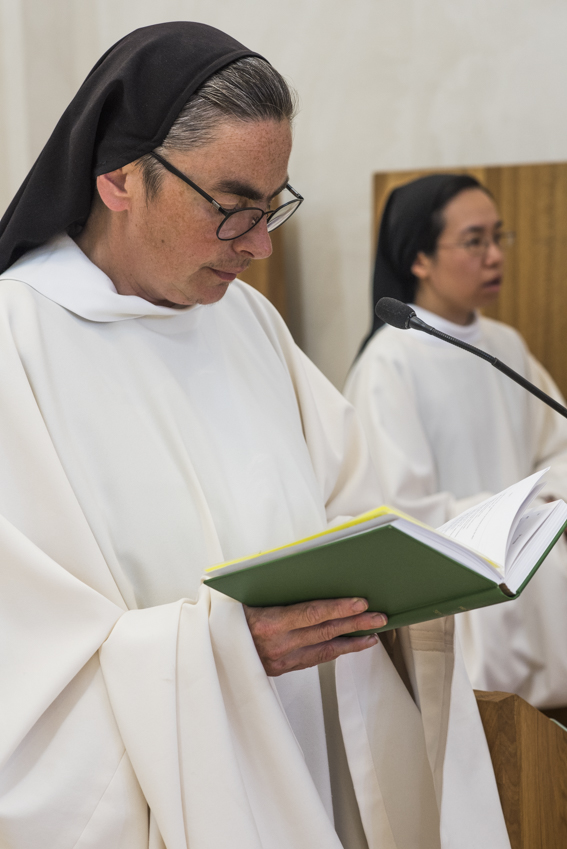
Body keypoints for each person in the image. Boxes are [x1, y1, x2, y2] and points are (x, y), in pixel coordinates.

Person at [0, 29, 509, 849]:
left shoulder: (246, 321)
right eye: (233, 208)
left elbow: (354, 502)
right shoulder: (16, 347)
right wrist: (221, 653)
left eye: (273, 207)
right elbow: (22, 673)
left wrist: (422, 574)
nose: (260, 244)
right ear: (119, 177)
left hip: (311, 761)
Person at [345, 173, 567, 712]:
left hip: (538, 584)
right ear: (419, 258)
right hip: (464, 604)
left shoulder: (505, 344)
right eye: (474, 241)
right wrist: (507, 514)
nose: (495, 256)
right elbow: (398, 510)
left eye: (499, 237)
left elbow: (556, 448)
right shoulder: (389, 365)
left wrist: (536, 505)